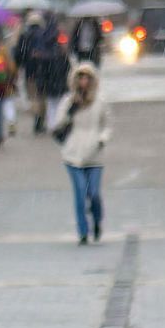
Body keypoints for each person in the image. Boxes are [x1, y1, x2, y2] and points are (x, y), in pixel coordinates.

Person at [52, 63, 112, 244]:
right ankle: (83, 231)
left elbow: (107, 125)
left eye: (87, 78)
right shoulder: (68, 101)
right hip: (73, 153)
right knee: (79, 192)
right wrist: (69, 113)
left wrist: (102, 139)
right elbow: (58, 123)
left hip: (94, 154)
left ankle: (97, 220)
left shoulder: (100, 102)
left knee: (93, 192)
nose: (83, 82)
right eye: (80, 78)